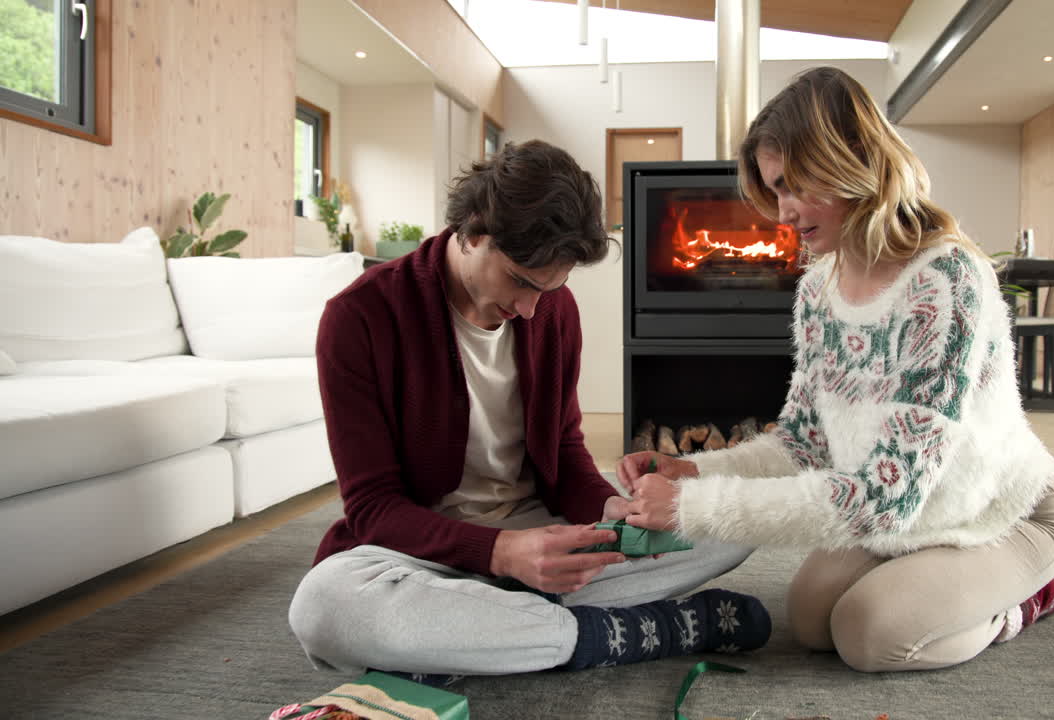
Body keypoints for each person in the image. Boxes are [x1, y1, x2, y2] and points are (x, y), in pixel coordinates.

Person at [618, 67, 1054, 673]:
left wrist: (690, 511)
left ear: (849, 160)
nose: (782, 214)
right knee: (810, 621)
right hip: (913, 513)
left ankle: (1026, 599)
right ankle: (932, 581)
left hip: (1003, 511)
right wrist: (690, 472)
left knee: (870, 635)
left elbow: (885, 497)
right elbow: (805, 446)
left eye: (793, 187)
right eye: (773, 192)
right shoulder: (817, 290)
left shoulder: (945, 283)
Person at [289, 140, 770, 682]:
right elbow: (373, 507)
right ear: (473, 232)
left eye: (551, 286)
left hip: (544, 534)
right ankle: (622, 633)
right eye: (521, 280)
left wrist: (611, 508)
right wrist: (499, 552)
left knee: (731, 519)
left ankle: (476, 635)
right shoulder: (360, 318)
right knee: (325, 606)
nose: (529, 308)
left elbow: (564, 452)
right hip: (421, 552)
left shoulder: (551, 310)